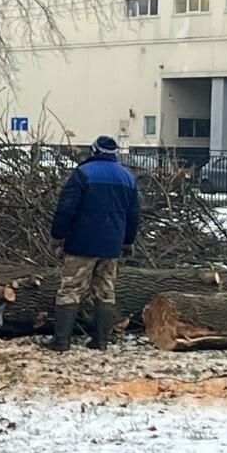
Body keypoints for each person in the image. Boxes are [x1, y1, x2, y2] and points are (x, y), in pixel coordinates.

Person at [45, 135, 141, 352]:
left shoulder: (82, 174)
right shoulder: (127, 178)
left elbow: (66, 209)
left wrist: (57, 236)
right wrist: (128, 241)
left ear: (94, 151)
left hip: (82, 243)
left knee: (71, 289)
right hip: (112, 246)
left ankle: (61, 341)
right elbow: (133, 215)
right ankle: (101, 341)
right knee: (105, 290)